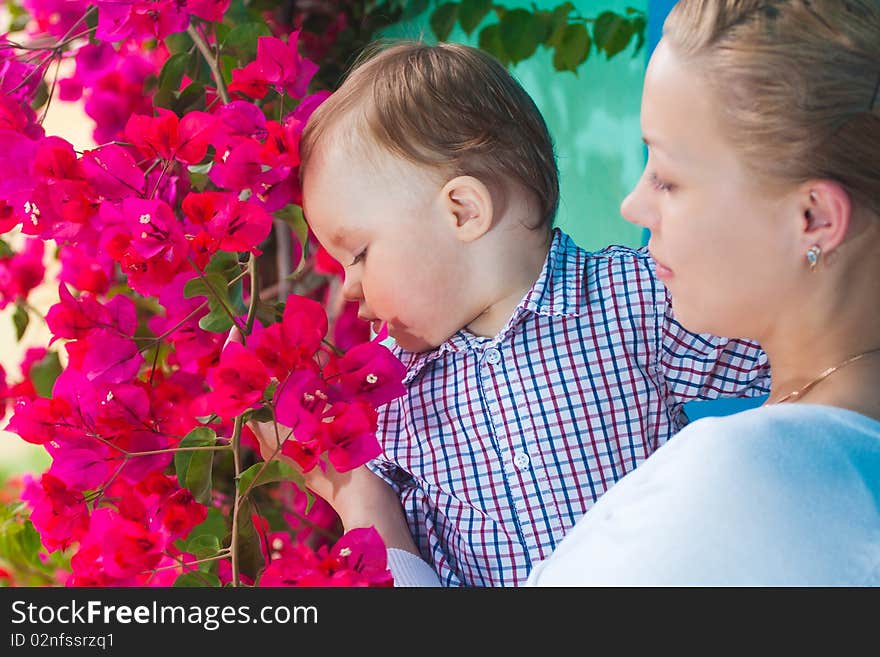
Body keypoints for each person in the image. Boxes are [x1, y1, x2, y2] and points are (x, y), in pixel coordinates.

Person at [338, 0, 880, 586]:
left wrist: (358, 503)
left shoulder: (743, 472)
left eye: (669, 178)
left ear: (815, 218)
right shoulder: (395, 390)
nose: (632, 207)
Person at [245, 40, 770, 587]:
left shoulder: (631, 302)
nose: (348, 287)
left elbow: (809, 345)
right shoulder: (389, 395)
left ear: (463, 211)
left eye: (358, 254)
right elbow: (394, 564)